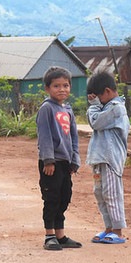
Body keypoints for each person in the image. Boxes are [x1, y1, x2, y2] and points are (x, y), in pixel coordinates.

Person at [36, 66, 81, 251]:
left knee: (64, 197)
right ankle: (49, 236)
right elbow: (44, 136)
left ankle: (60, 236)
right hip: (51, 163)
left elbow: (74, 136)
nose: (62, 89)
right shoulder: (47, 108)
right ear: (47, 88)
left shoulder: (68, 109)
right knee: (52, 198)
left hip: (65, 162)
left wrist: (74, 160)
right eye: (56, 86)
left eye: (65, 85)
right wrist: (48, 160)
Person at [85, 71, 130, 244]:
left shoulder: (116, 108)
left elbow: (95, 122)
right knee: (100, 194)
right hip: (99, 159)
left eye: (97, 96)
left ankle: (118, 231)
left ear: (108, 91)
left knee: (111, 194)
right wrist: (97, 104)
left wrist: (94, 105)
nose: (96, 100)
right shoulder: (105, 107)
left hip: (110, 160)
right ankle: (108, 227)